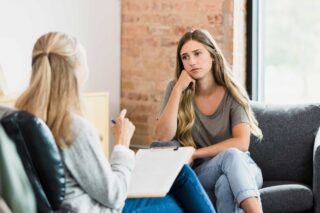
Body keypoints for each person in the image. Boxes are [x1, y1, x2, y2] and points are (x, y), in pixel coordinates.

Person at [15, 32, 215, 213]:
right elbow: (114, 196)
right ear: (76, 70)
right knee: (178, 202)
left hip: (80, 204)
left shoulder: (21, 119)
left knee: (181, 172)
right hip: (99, 208)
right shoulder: (72, 128)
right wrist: (121, 144)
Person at [155, 29, 264, 213]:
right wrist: (178, 89)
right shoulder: (176, 89)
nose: (192, 62)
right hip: (205, 171)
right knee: (228, 160)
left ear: (212, 55)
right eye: (185, 57)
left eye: (197, 54)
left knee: (226, 180)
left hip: (244, 167)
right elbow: (162, 136)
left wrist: (195, 153)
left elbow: (242, 143)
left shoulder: (232, 92)